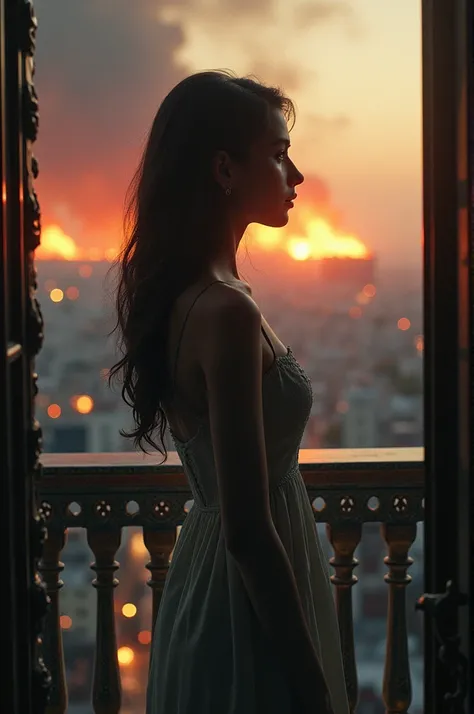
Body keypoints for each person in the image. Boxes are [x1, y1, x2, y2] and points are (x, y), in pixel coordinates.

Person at [109, 70, 349, 714]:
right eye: (277, 155)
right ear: (224, 169)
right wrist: (309, 678)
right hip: (247, 608)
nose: (295, 176)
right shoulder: (226, 312)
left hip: (209, 581)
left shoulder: (196, 296)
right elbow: (248, 527)